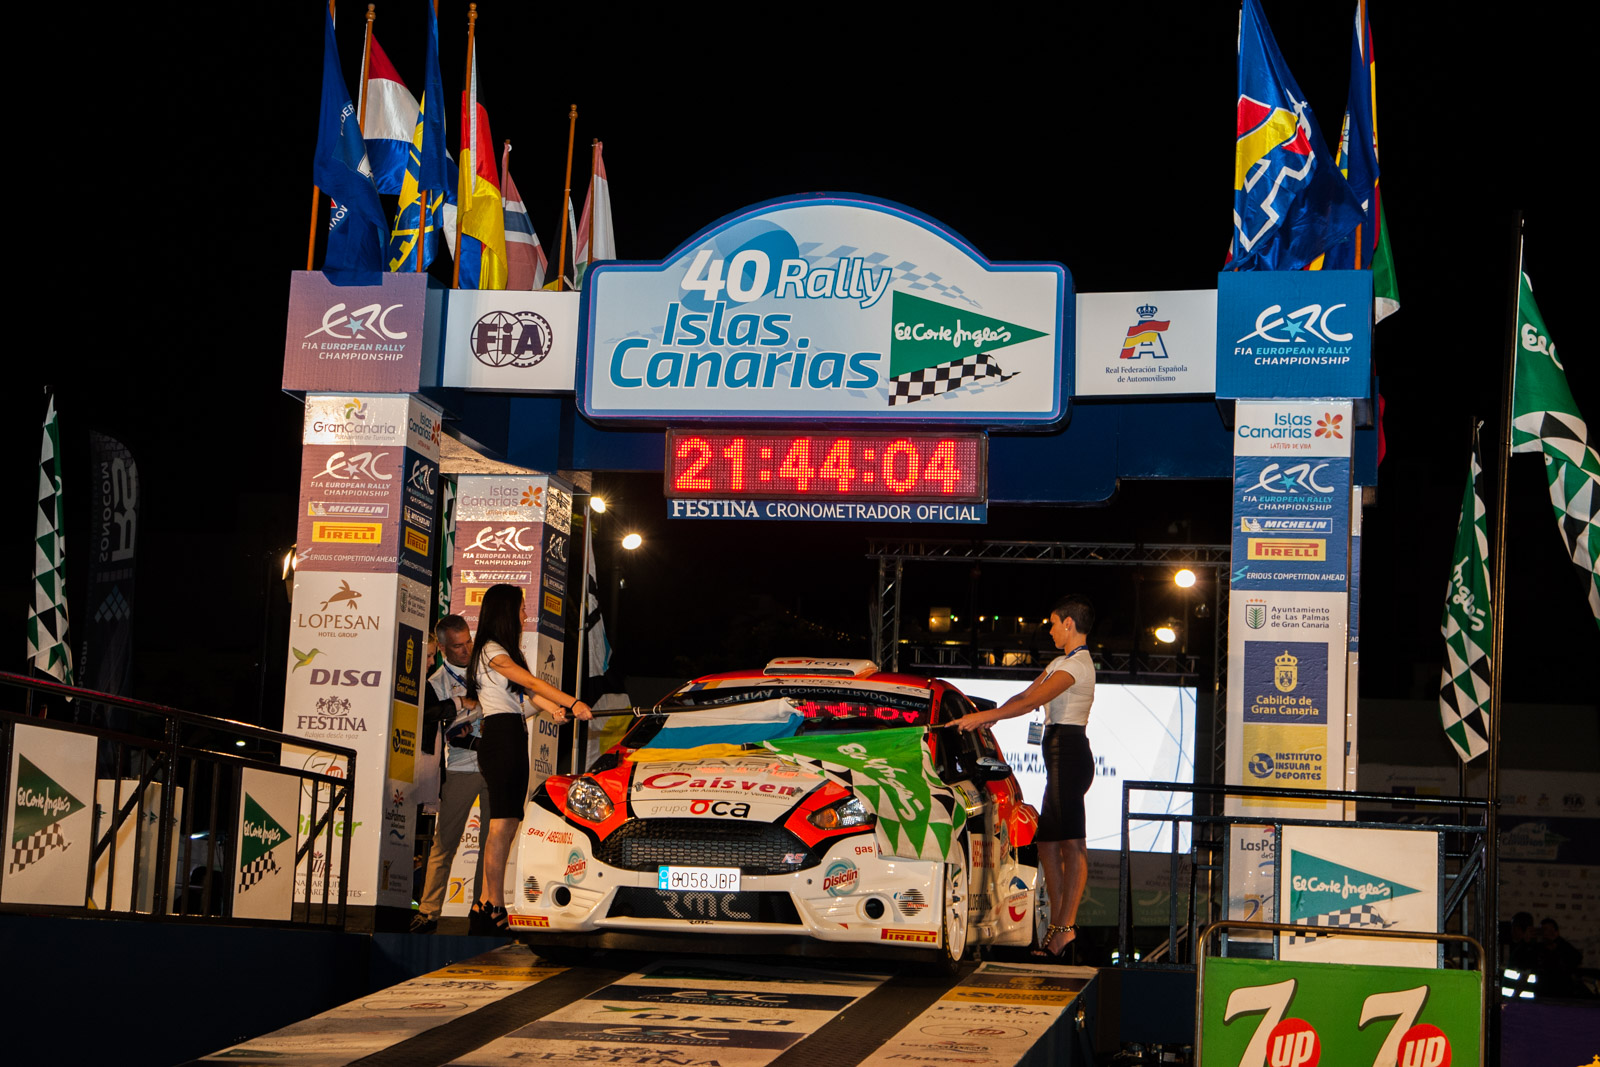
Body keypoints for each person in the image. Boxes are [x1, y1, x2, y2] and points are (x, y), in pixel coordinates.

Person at [957, 594, 1096, 958]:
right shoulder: (1059, 662)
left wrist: (986, 718)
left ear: (1069, 623)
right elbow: (1025, 694)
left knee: (1071, 843)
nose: (1050, 630)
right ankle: (1059, 926)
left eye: (1053, 623)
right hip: (1058, 758)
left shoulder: (1078, 665)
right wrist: (988, 717)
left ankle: (1065, 928)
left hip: (1069, 756)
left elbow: (1032, 703)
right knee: (1048, 842)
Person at [466, 584, 591, 935]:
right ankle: (494, 904)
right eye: (521, 608)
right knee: (501, 824)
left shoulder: (506, 651)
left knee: (507, 823)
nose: (525, 614)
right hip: (501, 737)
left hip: (512, 733)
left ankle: (483, 903)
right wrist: (572, 702)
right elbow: (532, 683)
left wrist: (554, 709)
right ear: (506, 612)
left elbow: (528, 696)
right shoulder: (492, 650)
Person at [410, 615, 484, 934]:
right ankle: (428, 911)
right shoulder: (435, 682)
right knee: (445, 842)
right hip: (460, 767)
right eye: (457, 646)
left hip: (495, 764)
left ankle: (482, 909)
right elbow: (440, 725)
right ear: (442, 648)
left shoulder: (488, 669)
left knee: (491, 843)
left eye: (468, 642)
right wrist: (460, 715)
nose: (466, 650)